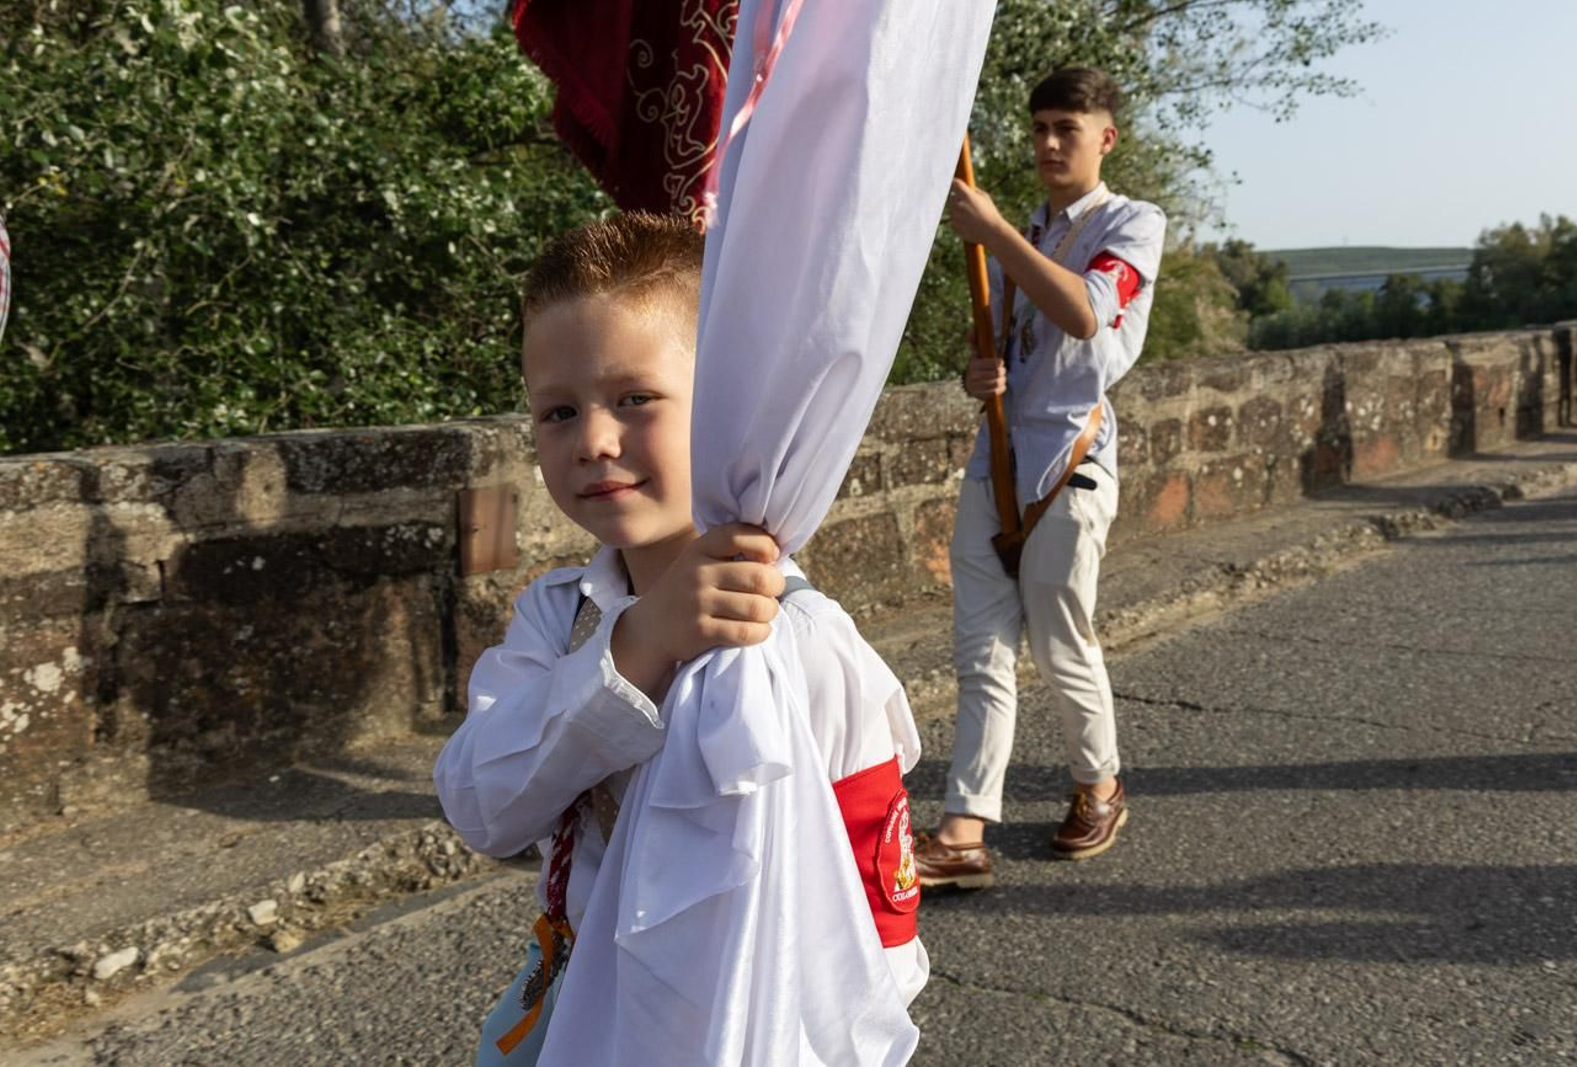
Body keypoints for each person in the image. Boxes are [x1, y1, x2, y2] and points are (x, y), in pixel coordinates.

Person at [433, 212, 928, 1064]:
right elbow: (483, 805)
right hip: (576, 1019)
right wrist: (636, 647)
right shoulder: (559, 620)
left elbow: (881, 930)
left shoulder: (808, 642)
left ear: (728, 405)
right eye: (557, 411)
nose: (593, 440)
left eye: (635, 398)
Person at [916, 66, 1167, 888]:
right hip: (995, 458)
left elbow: (1086, 313)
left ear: (1106, 137)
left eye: (1068, 128)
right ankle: (964, 829)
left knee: (1061, 643)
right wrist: (980, 372)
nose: (1050, 143)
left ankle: (1100, 783)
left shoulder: (1133, 223)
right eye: (1040, 129)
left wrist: (994, 233)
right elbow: (1003, 345)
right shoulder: (1024, 227)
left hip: (1071, 461)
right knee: (980, 650)